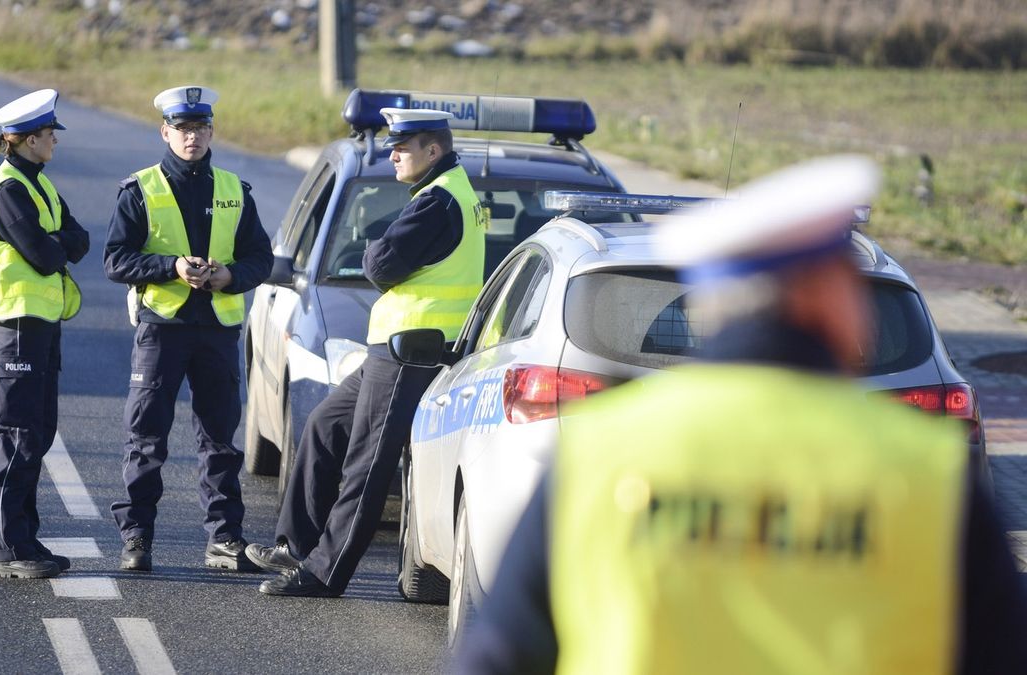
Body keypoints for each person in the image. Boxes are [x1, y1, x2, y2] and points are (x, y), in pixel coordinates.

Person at [454, 155, 1027, 674]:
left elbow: (500, 658)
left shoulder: (598, 455)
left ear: (713, 302)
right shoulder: (927, 475)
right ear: (820, 292)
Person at [245, 108, 488, 597]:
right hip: (392, 348)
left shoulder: (437, 202)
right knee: (324, 426)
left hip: (411, 351)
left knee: (366, 462)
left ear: (432, 151)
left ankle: (324, 573)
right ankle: (296, 546)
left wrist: (375, 244)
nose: (392, 155)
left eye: (402, 147)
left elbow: (379, 265)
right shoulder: (443, 192)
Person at [104, 85, 273, 573]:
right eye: (181, 129)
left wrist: (229, 276)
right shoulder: (140, 189)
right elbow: (115, 259)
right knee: (146, 436)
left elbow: (259, 257)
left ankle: (224, 538)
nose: (191, 137)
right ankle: (136, 537)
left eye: (199, 128)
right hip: (163, 327)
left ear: (211, 131)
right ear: (165, 132)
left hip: (217, 327)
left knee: (220, 438)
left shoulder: (234, 189)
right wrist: (171, 267)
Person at [0, 89, 89, 579]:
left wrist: (57, 243)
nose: (54, 142)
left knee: (38, 434)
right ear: (25, 140)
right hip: (18, 326)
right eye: (48, 135)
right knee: (19, 436)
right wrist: (57, 244)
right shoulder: (9, 191)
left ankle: (26, 539)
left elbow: (79, 239)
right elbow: (44, 256)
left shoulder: (38, 185)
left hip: (41, 326)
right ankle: (9, 550)